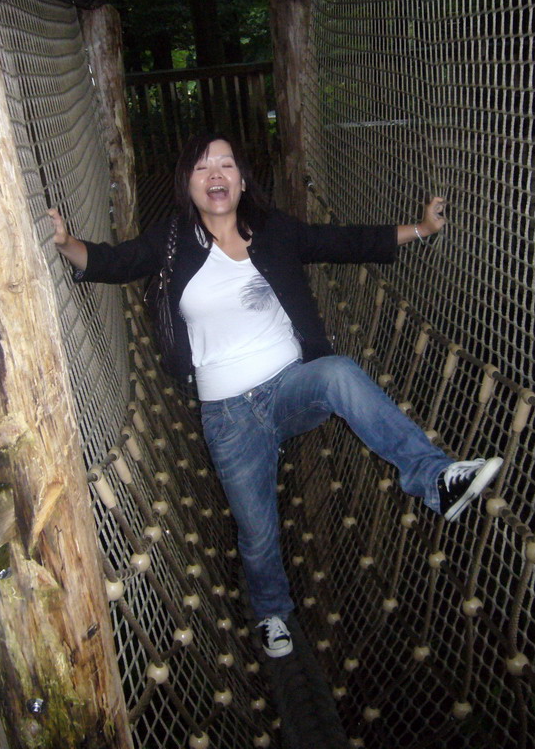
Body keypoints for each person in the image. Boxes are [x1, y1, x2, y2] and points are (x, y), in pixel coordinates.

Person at [49, 132, 502, 659]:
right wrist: (64, 242)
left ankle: (436, 478)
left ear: (241, 181)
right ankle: (272, 614)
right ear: (189, 185)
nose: (215, 174)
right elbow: (112, 261)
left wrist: (421, 229)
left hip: (291, 387)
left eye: (226, 164)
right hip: (228, 416)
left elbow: (341, 243)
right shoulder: (171, 240)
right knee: (257, 530)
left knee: (336, 373)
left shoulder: (274, 231)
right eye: (202, 167)